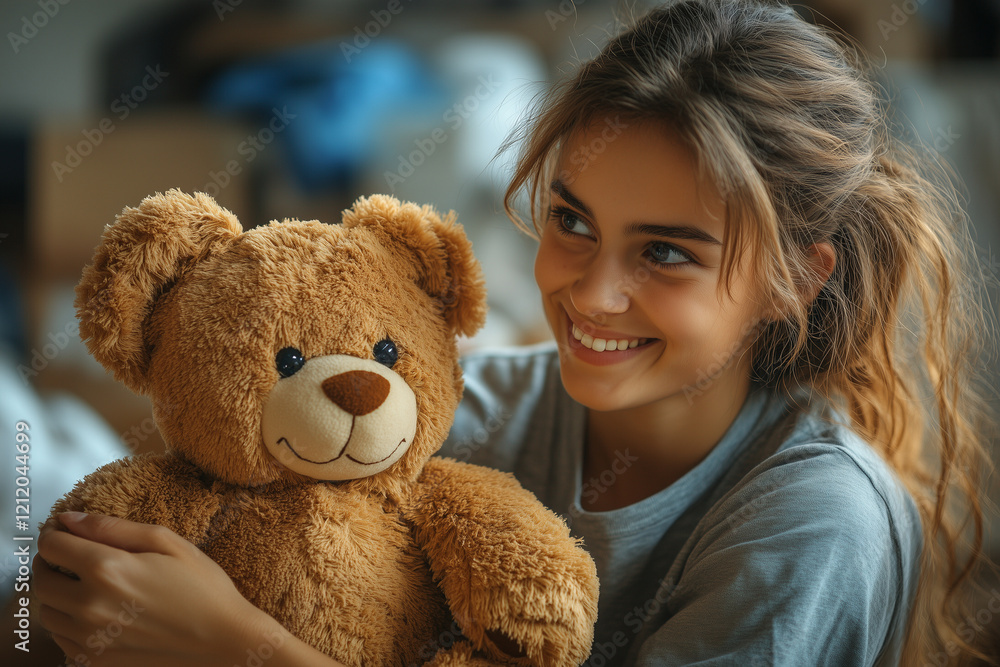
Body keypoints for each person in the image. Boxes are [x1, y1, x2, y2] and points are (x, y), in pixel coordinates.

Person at [33, 1, 998, 665]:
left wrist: (232, 644)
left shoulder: (815, 526)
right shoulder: (473, 408)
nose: (592, 293)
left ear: (795, 276)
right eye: (574, 221)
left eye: (665, 253)